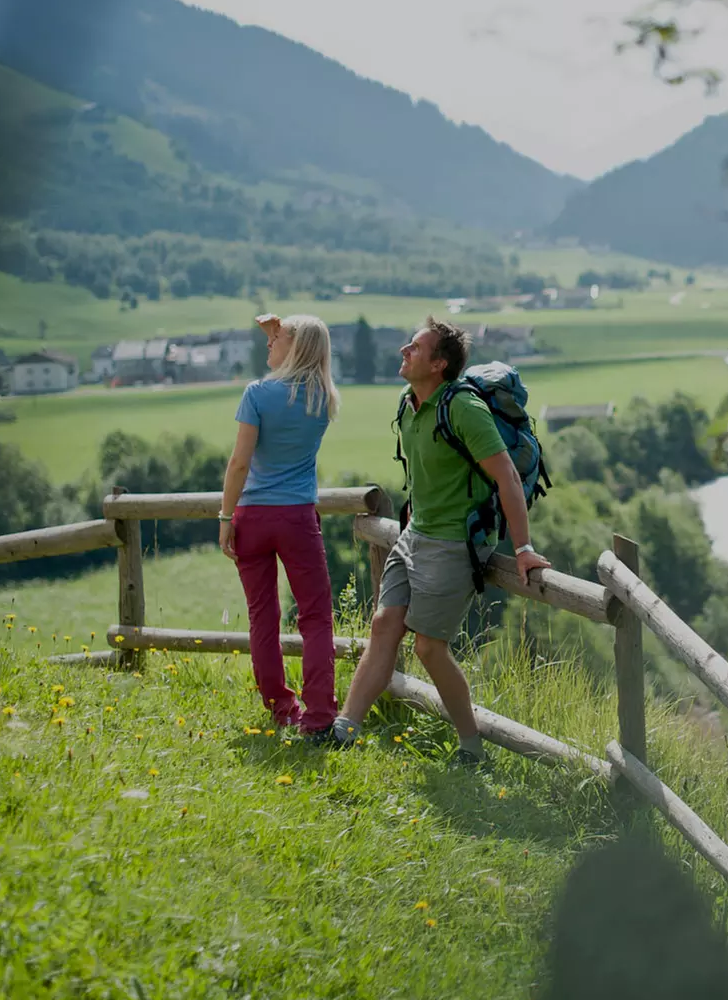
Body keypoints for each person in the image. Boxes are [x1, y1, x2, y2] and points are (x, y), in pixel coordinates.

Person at [329, 317, 552, 762]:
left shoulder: (464, 409)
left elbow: (507, 477)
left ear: (439, 364)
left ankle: (472, 748)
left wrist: (523, 549)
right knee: (383, 625)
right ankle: (343, 731)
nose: (404, 351)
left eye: (415, 347)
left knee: (429, 648)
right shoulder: (407, 404)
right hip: (415, 534)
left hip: (454, 543)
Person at [218, 313, 341, 737]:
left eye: (277, 338)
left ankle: (281, 709)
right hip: (297, 517)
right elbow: (296, 357)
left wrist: (225, 517)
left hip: (252, 517)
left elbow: (239, 463)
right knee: (315, 617)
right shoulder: (322, 398)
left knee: (263, 616)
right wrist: (280, 332)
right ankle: (319, 715)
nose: (269, 343)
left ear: (295, 345)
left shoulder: (256, 394)